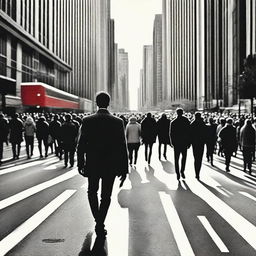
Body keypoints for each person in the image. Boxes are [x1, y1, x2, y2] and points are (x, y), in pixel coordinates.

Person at [77, 91, 128, 237]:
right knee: (106, 196)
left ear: (96, 103)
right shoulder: (118, 122)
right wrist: (124, 169)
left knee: (91, 192)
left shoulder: (87, 120)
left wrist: (80, 163)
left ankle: (98, 221)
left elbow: (81, 145)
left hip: (93, 163)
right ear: (109, 103)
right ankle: (100, 222)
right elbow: (122, 147)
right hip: (111, 165)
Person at [170, 108, 190, 180]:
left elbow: (171, 134)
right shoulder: (186, 120)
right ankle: (182, 171)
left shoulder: (173, 122)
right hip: (184, 142)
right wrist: (189, 142)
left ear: (176, 113)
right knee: (184, 158)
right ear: (182, 113)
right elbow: (189, 132)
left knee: (176, 158)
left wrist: (172, 142)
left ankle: (177, 173)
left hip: (176, 143)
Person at [190, 112, 207, 180]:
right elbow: (205, 133)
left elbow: (190, 134)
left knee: (195, 158)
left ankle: (196, 173)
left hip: (195, 143)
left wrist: (190, 143)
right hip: (201, 143)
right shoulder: (203, 124)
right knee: (199, 158)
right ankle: (198, 173)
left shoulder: (192, 124)